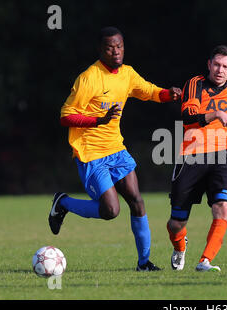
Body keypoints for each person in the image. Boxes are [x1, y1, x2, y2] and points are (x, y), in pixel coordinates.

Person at [48, 26, 182, 272]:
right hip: (91, 153)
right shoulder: (89, 78)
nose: (116, 51)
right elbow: (65, 116)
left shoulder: (127, 74)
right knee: (110, 211)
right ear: (101, 50)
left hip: (116, 149)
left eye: (119, 46)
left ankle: (144, 263)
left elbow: (149, 91)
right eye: (110, 47)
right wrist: (97, 120)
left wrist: (168, 95)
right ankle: (63, 202)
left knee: (137, 202)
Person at [167, 45, 227, 272]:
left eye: (225, 66)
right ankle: (180, 247)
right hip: (191, 156)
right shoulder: (195, 84)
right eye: (216, 64)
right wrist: (216, 114)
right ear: (209, 64)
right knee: (176, 223)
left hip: (224, 154)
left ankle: (205, 261)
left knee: (223, 207)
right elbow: (187, 116)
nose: (220, 70)